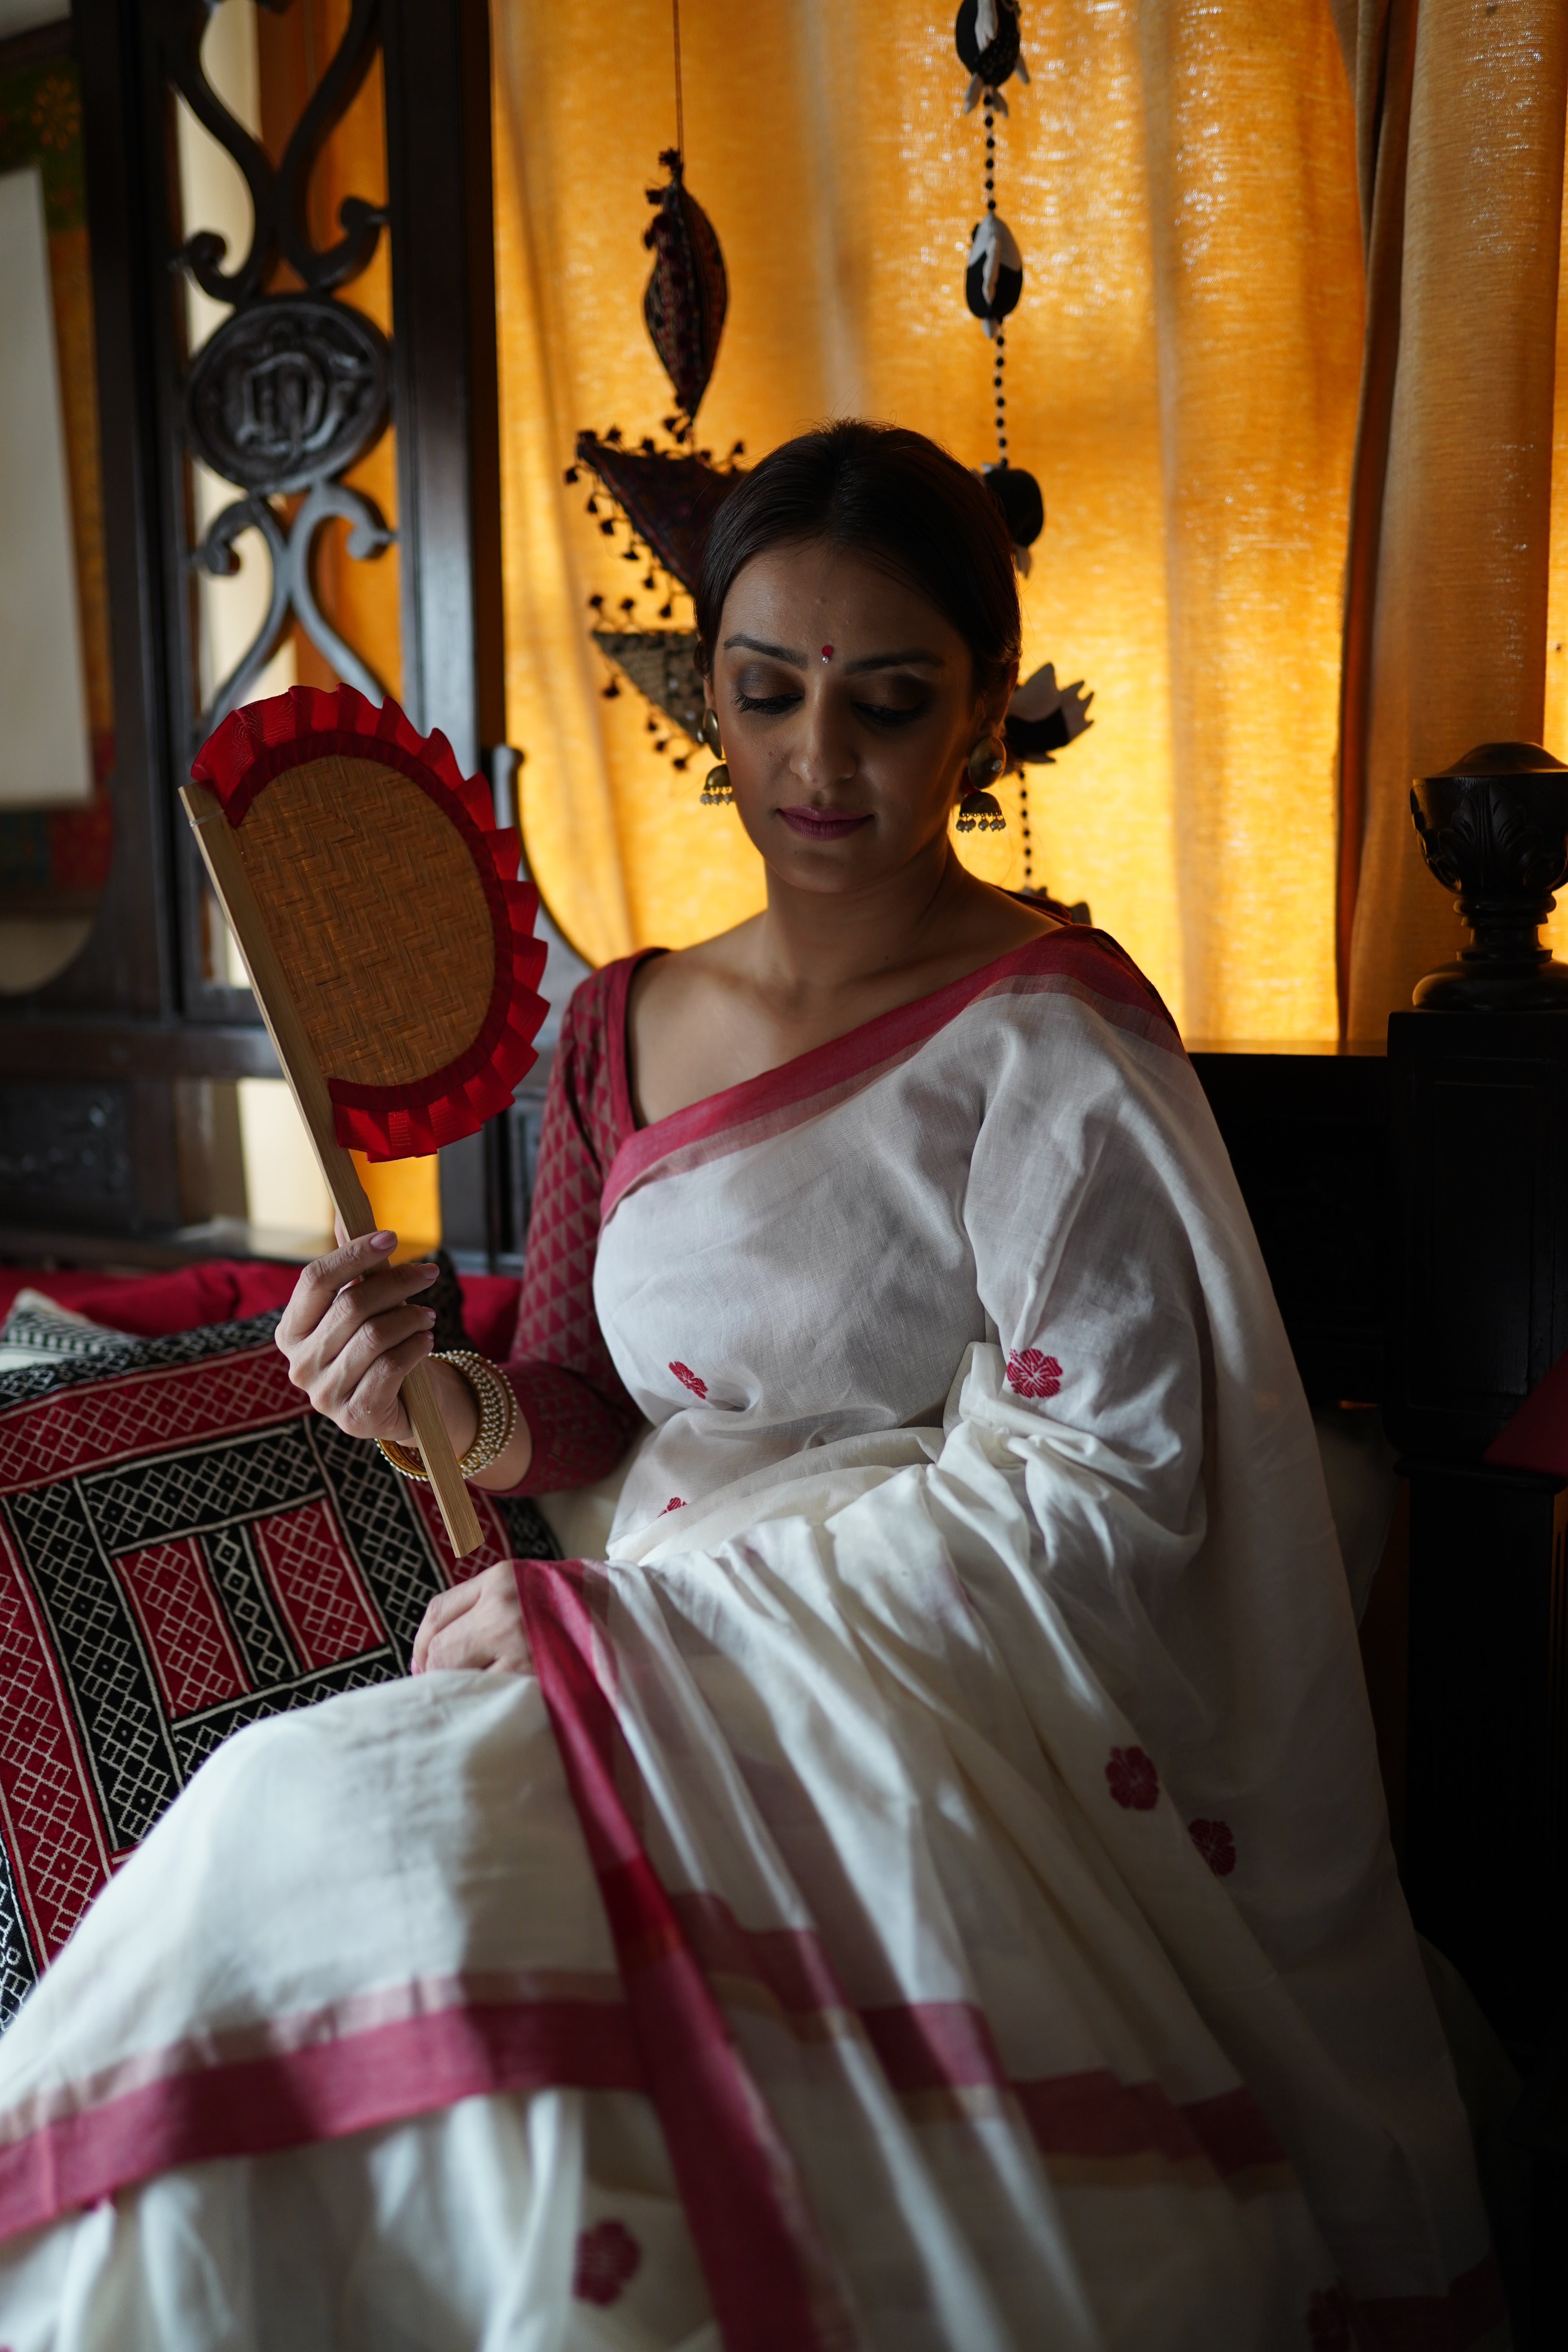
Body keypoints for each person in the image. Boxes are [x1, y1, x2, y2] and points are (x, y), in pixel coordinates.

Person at [0, 424, 1500, 2350]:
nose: (817, 761)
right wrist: (413, 1403)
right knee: (286, 1827)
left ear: (978, 711)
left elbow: (1105, 1483)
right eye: (768, 690)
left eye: (887, 702)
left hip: (898, 1690)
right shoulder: (617, 1023)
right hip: (606, 1619)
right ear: (702, 687)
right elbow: (575, 1400)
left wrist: (653, 1628)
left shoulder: (1049, 1029)